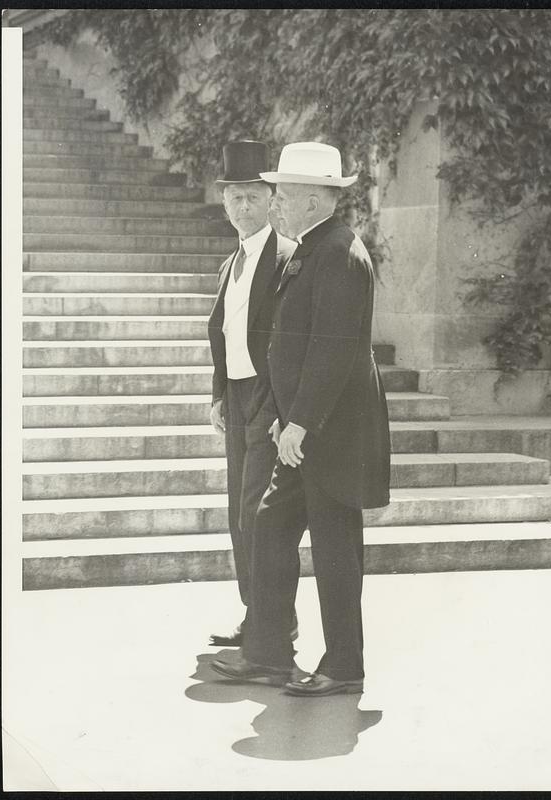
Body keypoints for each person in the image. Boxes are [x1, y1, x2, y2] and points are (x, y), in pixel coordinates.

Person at [212, 142, 391, 696]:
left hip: (330, 435)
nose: (276, 206)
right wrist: (285, 417)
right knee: (269, 527)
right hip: (303, 431)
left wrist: (300, 422)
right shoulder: (314, 248)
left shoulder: (338, 252)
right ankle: (267, 653)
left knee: (336, 549)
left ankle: (343, 665)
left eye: (284, 196)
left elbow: (332, 350)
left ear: (315, 200)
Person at [207, 140, 297, 646]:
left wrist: (279, 405)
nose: (243, 206)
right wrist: (219, 392)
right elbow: (223, 332)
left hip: (268, 399)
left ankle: (275, 623)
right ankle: (256, 614)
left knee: (257, 513)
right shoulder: (230, 264)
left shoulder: (286, 258)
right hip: (237, 399)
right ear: (224, 204)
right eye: (234, 197)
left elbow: (288, 339)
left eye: (252, 196)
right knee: (236, 514)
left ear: (271, 199)